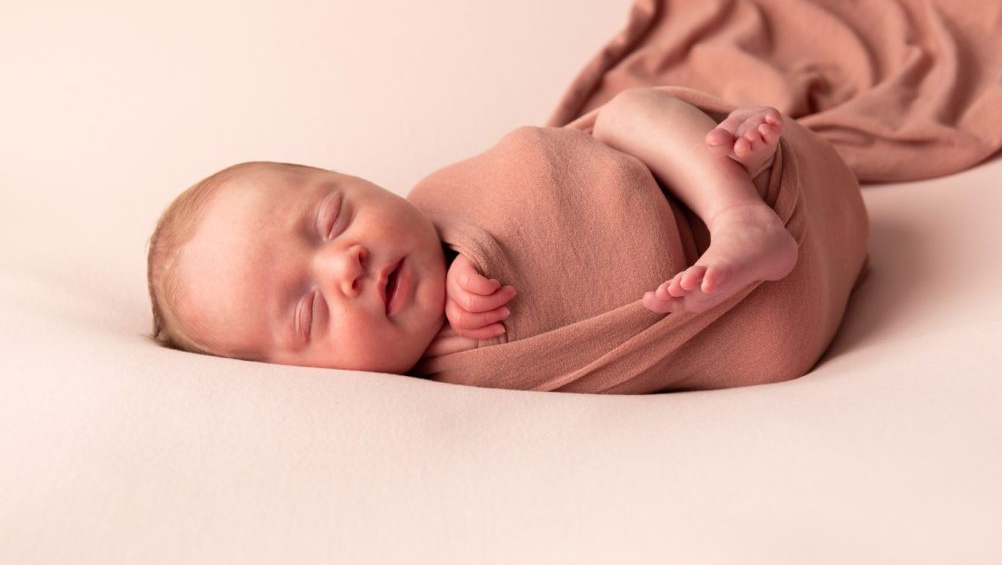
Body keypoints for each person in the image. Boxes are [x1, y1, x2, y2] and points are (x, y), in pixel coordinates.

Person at [147, 88, 799, 378]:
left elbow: (542, 169)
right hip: (753, 315)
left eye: (331, 220)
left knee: (630, 113)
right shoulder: (448, 379)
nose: (344, 264)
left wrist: (461, 248)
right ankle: (733, 193)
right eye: (310, 307)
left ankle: (733, 197)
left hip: (691, 201)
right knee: (639, 118)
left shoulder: (441, 197)